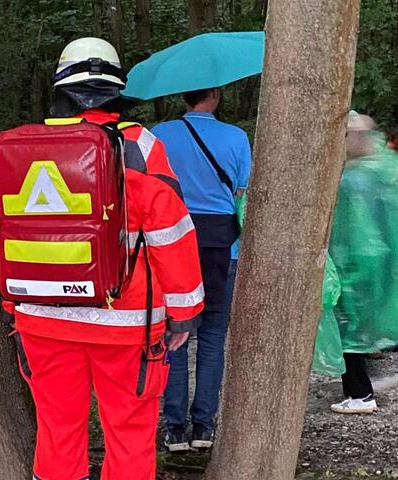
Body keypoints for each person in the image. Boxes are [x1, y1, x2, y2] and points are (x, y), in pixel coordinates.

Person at [4, 38, 204, 480]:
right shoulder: (139, 147)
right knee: (130, 434)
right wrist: (184, 314)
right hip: (126, 326)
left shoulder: (24, 148)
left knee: (57, 432)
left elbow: (13, 237)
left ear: (61, 84)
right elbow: (171, 235)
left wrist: (13, 308)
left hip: (42, 319)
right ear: (115, 87)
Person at [150, 87, 250, 451]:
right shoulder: (236, 138)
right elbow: (240, 191)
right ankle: (204, 426)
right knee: (211, 336)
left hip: (170, 246)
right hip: (223, 246)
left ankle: (175, 427)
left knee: (173, 334)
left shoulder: (159, 136)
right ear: (217, 95)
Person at [325, 112, 398, 414]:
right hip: (380, 262)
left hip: (357, 264)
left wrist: (349, 266)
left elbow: (355, 230)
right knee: (363, 326)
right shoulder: (378, 170)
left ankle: (360, 394)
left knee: (349, 329)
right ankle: (364, 385)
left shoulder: (352, 179)